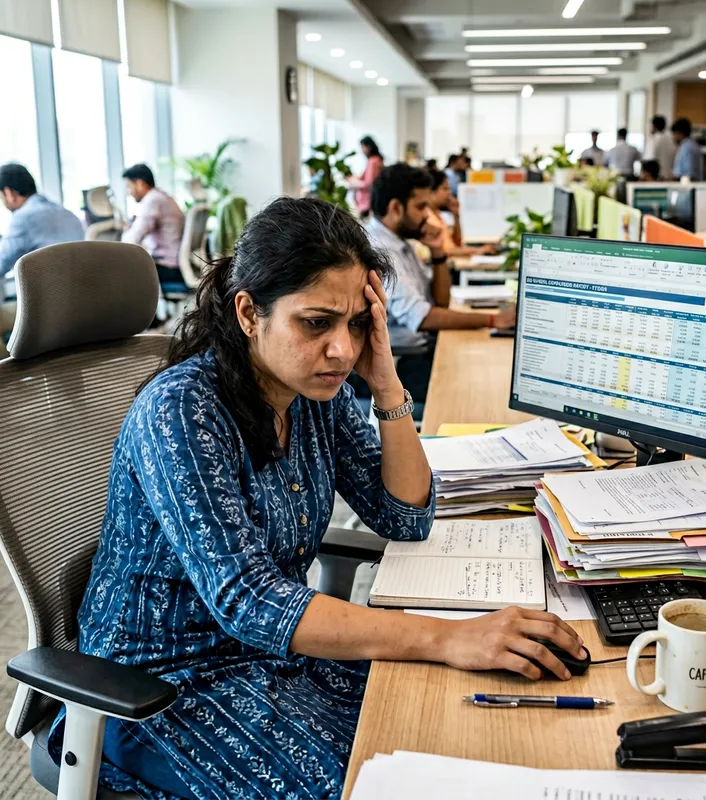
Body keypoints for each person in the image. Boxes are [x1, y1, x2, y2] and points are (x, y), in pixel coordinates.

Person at [46, 196, 584, 798]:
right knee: (377, 780)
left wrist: (384, 382)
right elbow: (247, 600)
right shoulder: (182, 412)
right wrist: (448, 636)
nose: (342, 349)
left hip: (272, 659)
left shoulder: (311, 393)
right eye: (316, 322)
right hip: (161, 689)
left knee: (450, 719)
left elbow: (404, 516)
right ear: (249, 313)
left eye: (356, 323)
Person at [366, 164, 516, 402]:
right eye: (421, 206)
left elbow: (441, 301)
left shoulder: (400, 244)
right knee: (480, 393)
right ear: (395, 207)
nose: (428, 214)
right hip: (398, 365)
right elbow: (423, 317)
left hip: (420, 351)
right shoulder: (378, 251)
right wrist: (493, 320)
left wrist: (438, 253)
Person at [0, 163, 83, 275]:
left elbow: (2, 264)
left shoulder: (22, 218)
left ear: (9, 193)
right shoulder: (69, 214)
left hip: (48, 290)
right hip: (80, 289)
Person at [121, 163, 186, 284]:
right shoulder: (164, 197)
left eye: (129, 186)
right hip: (177, 264)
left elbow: (131, 240)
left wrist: (126, 231)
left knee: (116, 271)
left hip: (167, 267)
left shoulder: (152, 200)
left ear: (140, 183)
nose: (129, 192)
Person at [427, 169, 496, 258]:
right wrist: (478, 250)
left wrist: (456, 216)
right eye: (445, 189)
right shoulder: (428, 218)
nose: (449, 193)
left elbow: (457, 243)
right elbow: (446, 251)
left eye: (449, 189)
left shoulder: (438, 215)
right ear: (432, 192)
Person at [348, 136, 384, 219]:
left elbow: (368, 183)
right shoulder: (378, 159)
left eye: (362, 147)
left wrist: (354, 183)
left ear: (368, 146)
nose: (362, 150)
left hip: (367, 202)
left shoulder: (373, 161)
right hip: (371, 200)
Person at [643, 115, 676, 180]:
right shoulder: (670, 139)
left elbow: (649, 160)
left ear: (654, 126)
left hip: (655, 177)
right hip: (668, 176)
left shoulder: (654, 139)